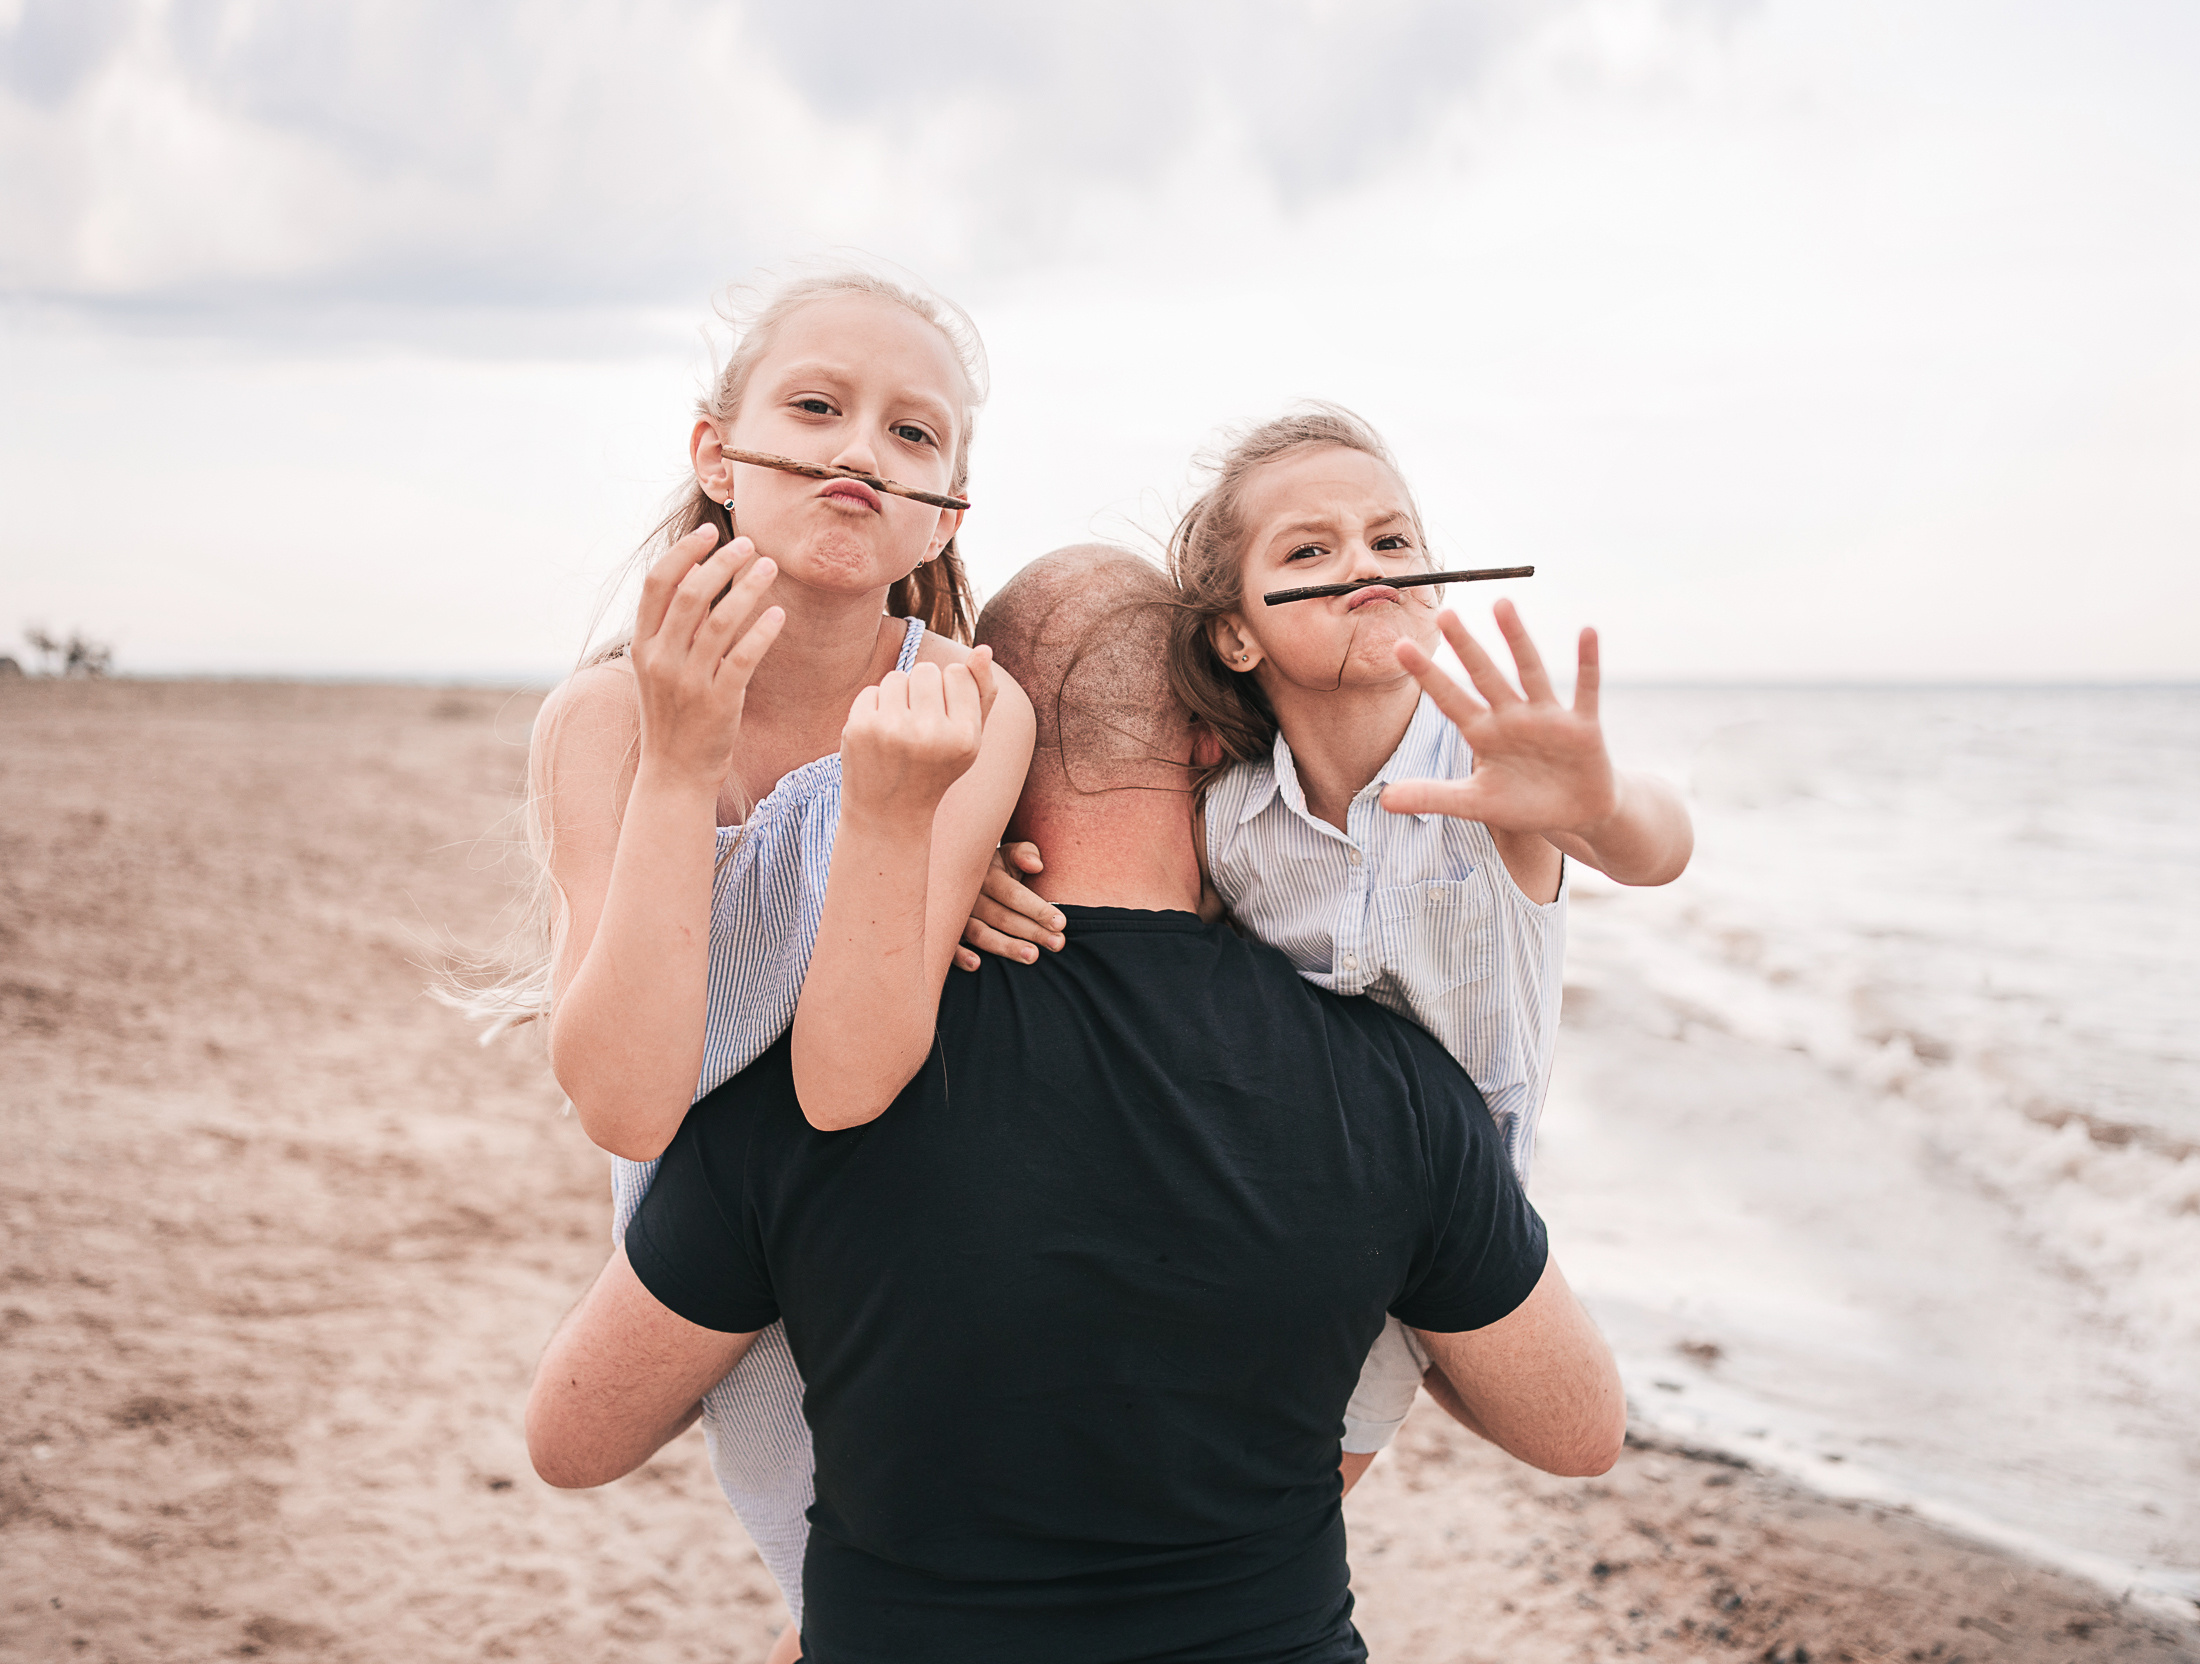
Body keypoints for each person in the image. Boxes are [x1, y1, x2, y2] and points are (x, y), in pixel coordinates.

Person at [525, 546, 1627, 1664]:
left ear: (978, 744)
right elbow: (1576, 1427)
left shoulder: (820, 1083)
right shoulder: (1391, 1085)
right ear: (1215, 738)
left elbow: (576, 1436)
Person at [963, 405, 1691, 1467]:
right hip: (1294, 1214)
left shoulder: (1498, 774)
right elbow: (1121, 893)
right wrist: (974, 860)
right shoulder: (1233, 809)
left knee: (1317, 1503)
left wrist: (1600, 801)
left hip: (1461, 1223)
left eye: (1393, 540)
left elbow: (1657, 846)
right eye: (1312, 549)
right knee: (1244, 1497)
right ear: (1234, 630)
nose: (1365, 562)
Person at [468, 266, 1034, 1624]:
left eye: (912, 433)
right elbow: (625, 1100)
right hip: (702, 1252)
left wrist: (897, 821)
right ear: (717, 452)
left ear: (947, 507)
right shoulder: (602, 722)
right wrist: (682, 763)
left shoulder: (971, 707)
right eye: (819, 404)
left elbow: (848, 1082)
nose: (859, 449)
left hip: (897, 1236)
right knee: (830, 1583)